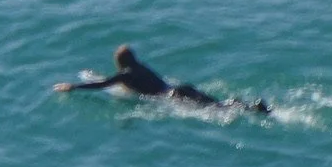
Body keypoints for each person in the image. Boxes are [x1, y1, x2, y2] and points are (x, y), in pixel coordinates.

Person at [56, 45, 268, 114]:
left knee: (214, 111)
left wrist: (73, 87)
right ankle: (250, 106)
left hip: (172, 97)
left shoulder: (125, 75)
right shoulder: (140, 68)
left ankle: (247, 108)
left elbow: (103, 84)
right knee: (217, 104)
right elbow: (111, 80)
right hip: (179, 88)